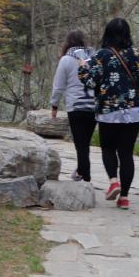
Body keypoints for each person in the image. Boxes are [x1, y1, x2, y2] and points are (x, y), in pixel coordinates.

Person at [79, 18, 139, 210]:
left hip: (109, 110)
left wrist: (82, 67)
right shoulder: (137, 55)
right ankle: (124, 197)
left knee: (108, 148)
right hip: (134, 110)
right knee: (126, 153)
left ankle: (114, 181)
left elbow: (89, 81)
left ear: (107, 33)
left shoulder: (101, 56)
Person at [49, 30, 95, 183]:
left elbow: (58, 86)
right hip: (93, 106)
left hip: (75, 106)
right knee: (85, 143)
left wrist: (54, 105)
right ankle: (82, 172)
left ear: (67, 43)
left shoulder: (66, 60)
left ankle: (85, 176)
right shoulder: (93, 58)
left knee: (80, 144)